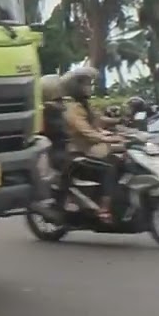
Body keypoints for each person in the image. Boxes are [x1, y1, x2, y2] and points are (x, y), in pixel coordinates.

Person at [60, 67, 122, 222]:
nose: (90, 87)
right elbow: (86, 131)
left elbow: (99, 121)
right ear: (76, 87)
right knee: (110, 168)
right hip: (77, 155)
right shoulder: (72, 108)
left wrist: (120, 123)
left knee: (123, 160)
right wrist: (106, 139)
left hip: (91, 151)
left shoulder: (85, 105)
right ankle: (104, 208)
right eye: (85, 84)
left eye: (89, 84)